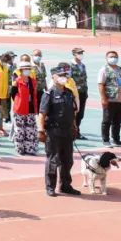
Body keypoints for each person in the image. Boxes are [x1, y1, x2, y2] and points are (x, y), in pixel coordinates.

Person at [39, 64, 81, 197]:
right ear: (54, 76)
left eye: (65, 75)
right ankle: (50, 187)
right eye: (60, 75)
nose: (63, 78)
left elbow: (73, 112)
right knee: (52, 160)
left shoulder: (69, 93)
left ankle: (65, 186)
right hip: (53, 132)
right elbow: (42, 114)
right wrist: (41, 130)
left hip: (67, 132)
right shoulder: (49, 94)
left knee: (67, 160)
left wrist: (74, 126)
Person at [98, 51, 121, 148]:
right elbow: (101, 84)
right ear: (106, 58)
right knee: (107, 120)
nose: (113, 58)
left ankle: (116, 140)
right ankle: (106, 140)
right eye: (111, 56)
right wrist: (103, 98)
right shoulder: (104, 70)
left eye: (115, 56)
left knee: (118, 121)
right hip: (110, 100)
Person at [10, 61, 40, 155]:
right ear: (21, 70)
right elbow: (13, 94)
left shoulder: (33, 81)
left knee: (30, 130)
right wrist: (19, 102)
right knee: (20, 130)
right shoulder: (17, 82)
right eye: (25, 69)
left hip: (31, 108)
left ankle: (30, 149)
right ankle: (20, 149)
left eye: (28, 69)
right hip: (20, 109)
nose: (27, 71)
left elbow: (35, 95)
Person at [70, 47, 89, 139]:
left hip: (83, 92)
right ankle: (73, 131)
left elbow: (85, 79)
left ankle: (77, 131)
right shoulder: (70, 66)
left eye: (81, 53)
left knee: (81, 114)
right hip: (74, 94)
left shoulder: (83, 65)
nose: (81, 54)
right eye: (79, 53)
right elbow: (68, 80)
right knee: (74, 113)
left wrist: (86, 91)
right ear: (74, 54)